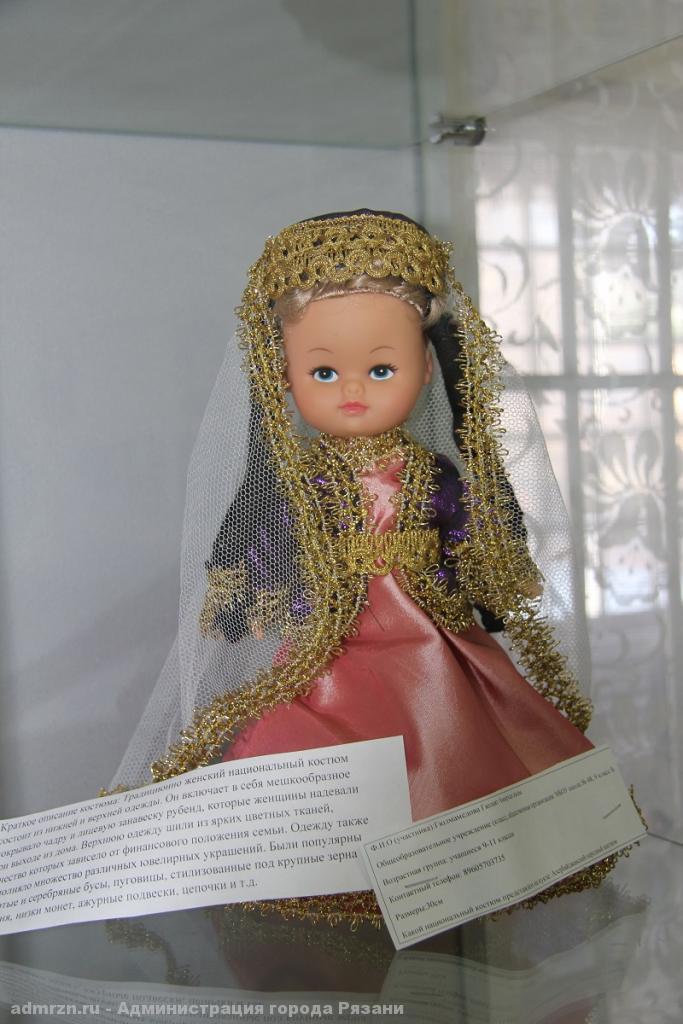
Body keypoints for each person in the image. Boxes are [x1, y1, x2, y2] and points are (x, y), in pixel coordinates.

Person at [111, 210, 620, 925]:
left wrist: (486, 572)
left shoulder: (432, 473)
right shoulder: (300, 484)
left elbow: (464, 534)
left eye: (381, 369)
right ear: (283, 379)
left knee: (459, 733)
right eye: (323, 372)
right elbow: (270, 544)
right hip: (331, 645)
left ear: (426, 367)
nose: (353, 390)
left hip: (432, 641)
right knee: (309, 742)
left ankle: (459, 857)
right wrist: (249, 594)